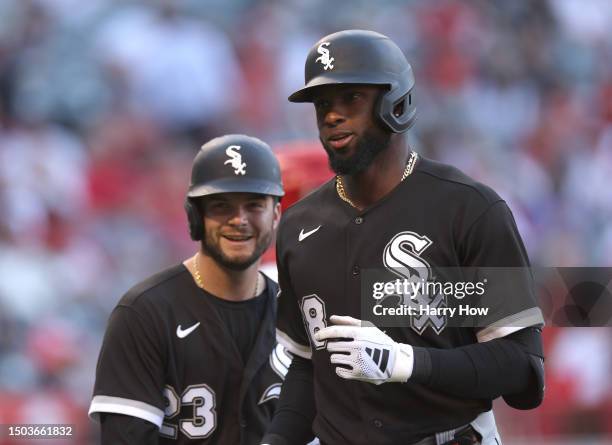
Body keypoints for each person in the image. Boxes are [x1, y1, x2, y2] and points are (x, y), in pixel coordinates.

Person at [262, 30, 545, 445]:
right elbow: (308, 369)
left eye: (351, 99)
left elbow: (521, 369)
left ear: (396, 102)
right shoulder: (298, 226)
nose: (332, 116)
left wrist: (406, 362)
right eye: (323, 104)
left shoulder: (468, 209)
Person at [89, 134, 291, 444]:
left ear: (275, 214)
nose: (239, 220)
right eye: (221, 206)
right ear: (196, 215)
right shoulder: (144, 313)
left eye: (254, 205)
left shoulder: (295, 313)